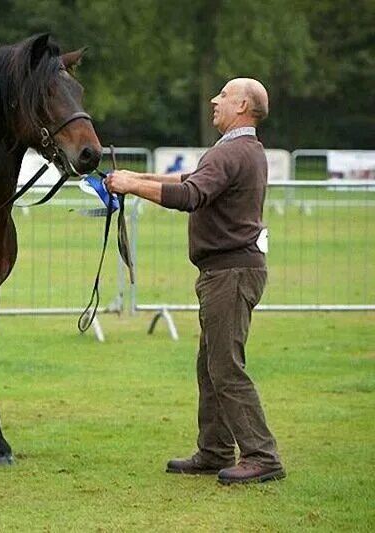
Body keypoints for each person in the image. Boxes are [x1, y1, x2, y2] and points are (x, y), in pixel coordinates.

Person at [105, 78, 285, 485]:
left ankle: (262, 455)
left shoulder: (232, 152)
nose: (214, 100)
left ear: (241, 105)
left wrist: (132, 186)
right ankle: (215, 450)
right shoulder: (243, 150)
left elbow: (191, 195)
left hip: (230, 273)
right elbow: (192, 179)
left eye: (222, 95)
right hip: (230, 271)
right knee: (210, 365)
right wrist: (139, 176)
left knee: (225, 367)